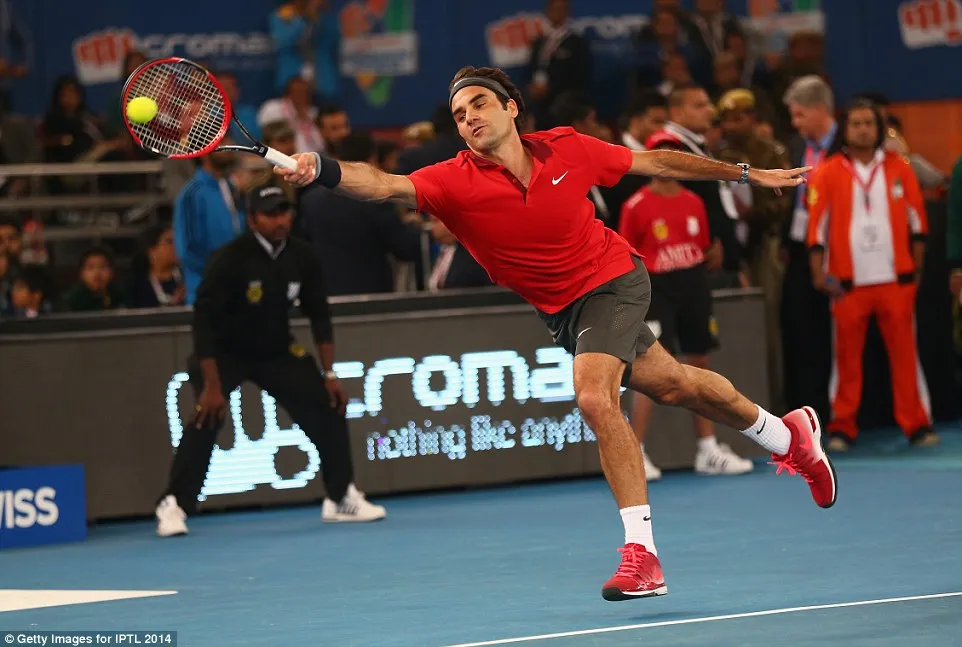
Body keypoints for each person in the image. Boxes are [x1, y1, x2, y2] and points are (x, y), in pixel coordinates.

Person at [275, 65, 836, 602]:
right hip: (563, 311)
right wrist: (320, 168)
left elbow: (658, 162)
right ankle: (787, 435)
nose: (469, 118)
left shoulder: (568, 147)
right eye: (459, 114)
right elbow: (380, 184)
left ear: (511, 108)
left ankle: (642, 555)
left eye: (479, 104)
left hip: (613, 278)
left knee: (593, 395)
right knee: (675, 385)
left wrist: (746, 173)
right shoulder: (450, 180)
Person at [155, 183, 386, 538]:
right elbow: (204, 323)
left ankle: (340, 497)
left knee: (329, 404)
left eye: (284, 212)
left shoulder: (303, 256)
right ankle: (174, 504)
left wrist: (329, 374)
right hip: (225, 352)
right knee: (207, 418)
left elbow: (319, 316)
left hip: (276, 350)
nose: (280, 221)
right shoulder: (229, 259)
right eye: (270, 214)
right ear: (252, 220)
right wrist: (212, 386)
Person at [619, 130, 753, 480]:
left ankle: (707, 449)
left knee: (699, 361)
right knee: (651, 370)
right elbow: (625, 257)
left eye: (674, 153)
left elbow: (702, 247)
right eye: (661, 153)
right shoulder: (635, 206)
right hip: (655, 288)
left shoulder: (694, 202)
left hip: (693, 284)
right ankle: (636, 452)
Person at [806, 99, 937, 450]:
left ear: (879, 128)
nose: (863, 130)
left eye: (869, 123)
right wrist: (818, 273)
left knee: (906, 357)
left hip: (896, 280)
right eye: (856, 123)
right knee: (846, 361)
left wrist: (916, 269)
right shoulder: (828, 171)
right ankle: (842, 426)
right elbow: (816, 228)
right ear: (845, 130)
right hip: (847, 284)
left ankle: (916, 424)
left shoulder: (900, 167)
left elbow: (918, 222)